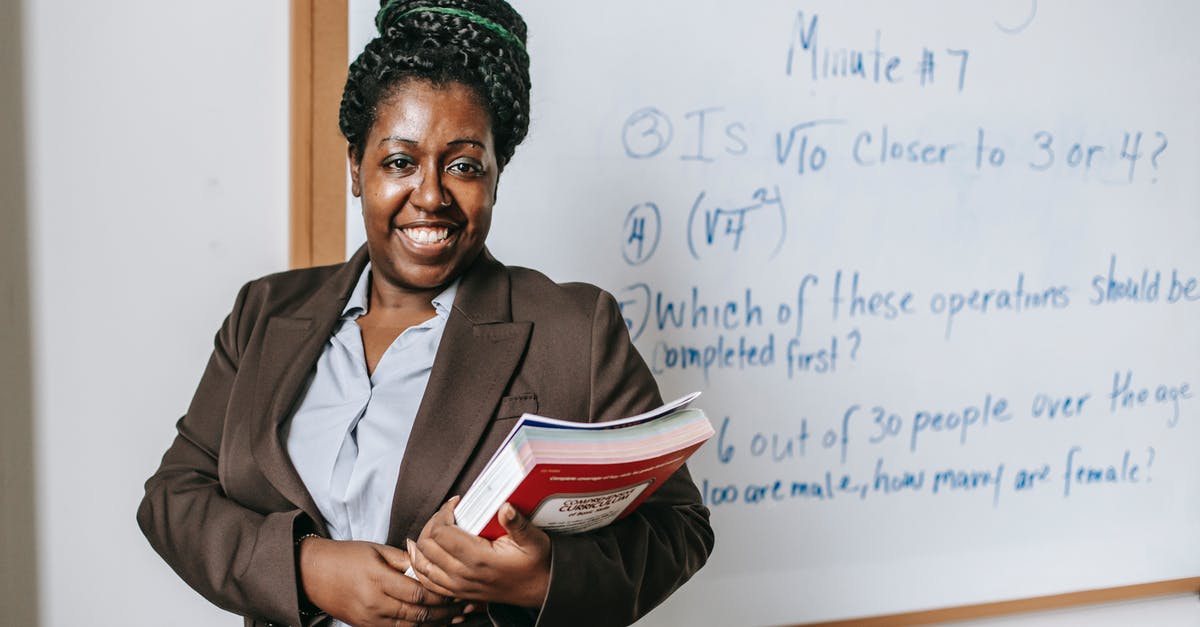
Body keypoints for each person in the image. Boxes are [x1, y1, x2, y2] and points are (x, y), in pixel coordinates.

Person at [137, 1, 714, 626]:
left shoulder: (575, 330)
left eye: (464, 165)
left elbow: (680, 530)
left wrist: (542, 576)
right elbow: (174, 498)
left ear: (497, 176)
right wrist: (307, 569)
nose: (432, 194)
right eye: (399, 161)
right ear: (355, 167)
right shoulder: (264, 313)